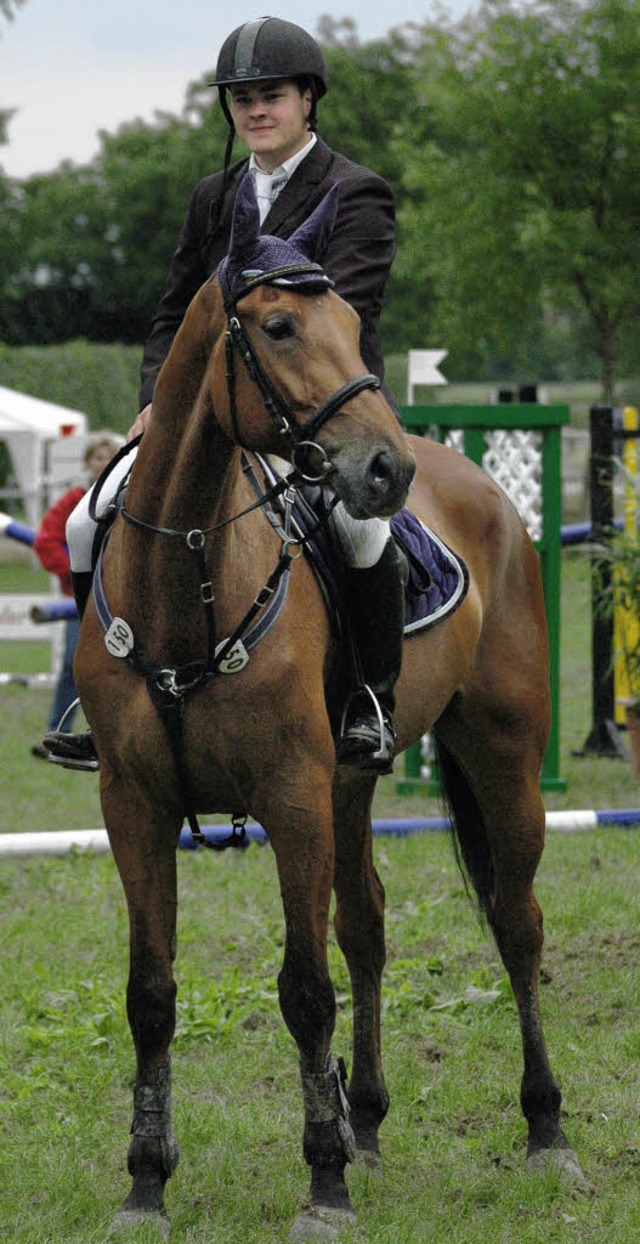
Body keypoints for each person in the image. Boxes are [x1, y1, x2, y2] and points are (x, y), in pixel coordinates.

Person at [44, 16, 406, 774]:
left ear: (308, 99)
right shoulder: (215, 195)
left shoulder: (356, 192)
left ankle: (372, 698)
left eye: (270, 96)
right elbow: (175, 313)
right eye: (240, 100)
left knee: (365, 534)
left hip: (314, 412)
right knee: (84, 523)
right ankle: (96, 689)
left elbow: (347, 316)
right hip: (209, 416)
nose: (254, 112)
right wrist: (157, 400)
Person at [31, 434, 121, 760]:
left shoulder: (126, 497)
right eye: (97, 457)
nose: (102, 463)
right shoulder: (74, 500)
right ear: (87, 462)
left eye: (108, 457)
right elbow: (46, 541)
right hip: (81, 602)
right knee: (73, 664)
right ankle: (59, 733)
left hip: (120, 600)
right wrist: (74, 575)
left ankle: (116, 739)